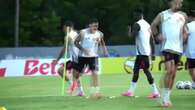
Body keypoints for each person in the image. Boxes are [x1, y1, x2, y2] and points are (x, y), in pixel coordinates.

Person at [151, 0, 187, 107]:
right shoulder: (162, 14)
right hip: (167, 47)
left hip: (178, 49)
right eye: (178, 2)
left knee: (173, 73)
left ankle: (167, 98)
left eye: (181, 2)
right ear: (172, 2)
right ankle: (164, 99)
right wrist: (157, 36)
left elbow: (185, 30)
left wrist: (185, 35)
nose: (180, 4)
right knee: (169, 71)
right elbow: (153, 25)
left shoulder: (183, 15)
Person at [122, 9, 160, 98]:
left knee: (146, 71)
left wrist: (128, 30)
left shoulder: (137, 24)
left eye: (135, 15)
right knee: (136, 70)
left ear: (139, 14)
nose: (134, 16)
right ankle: (130, 91)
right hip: (144, 53)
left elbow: (131, 36)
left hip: (142, 53)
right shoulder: (147, 25)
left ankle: (155, 92)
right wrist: (153, 53)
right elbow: (152, 40)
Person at [74, 18, 109, 98]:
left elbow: (102, 41)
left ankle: (96, 92)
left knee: (95, 73)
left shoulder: (100, 34)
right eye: (94, 26)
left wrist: (105, 50)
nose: (96, 27)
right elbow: (75, 42)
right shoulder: (83, 33)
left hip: (93, 57)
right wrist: (83, 49)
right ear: (90, 25)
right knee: (77, 75)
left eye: (97, 26)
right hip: (82, 56)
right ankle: (79, 90)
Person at [52, 21, 84, 96]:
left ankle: (74, 87)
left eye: (64, 28)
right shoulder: (76, 34)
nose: (63, 29)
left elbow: (64, 50)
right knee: (70, 73)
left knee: (65, 72)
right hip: (78, 58)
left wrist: (57, 60)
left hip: (77, 59)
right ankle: (79, 90)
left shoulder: (68, 36)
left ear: (68, 27)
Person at [185, 10, 195, 89]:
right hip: (191, 53)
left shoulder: (188, 26)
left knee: (191, 71)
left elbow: (184, 39)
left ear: (191, 17)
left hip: (191, 53)